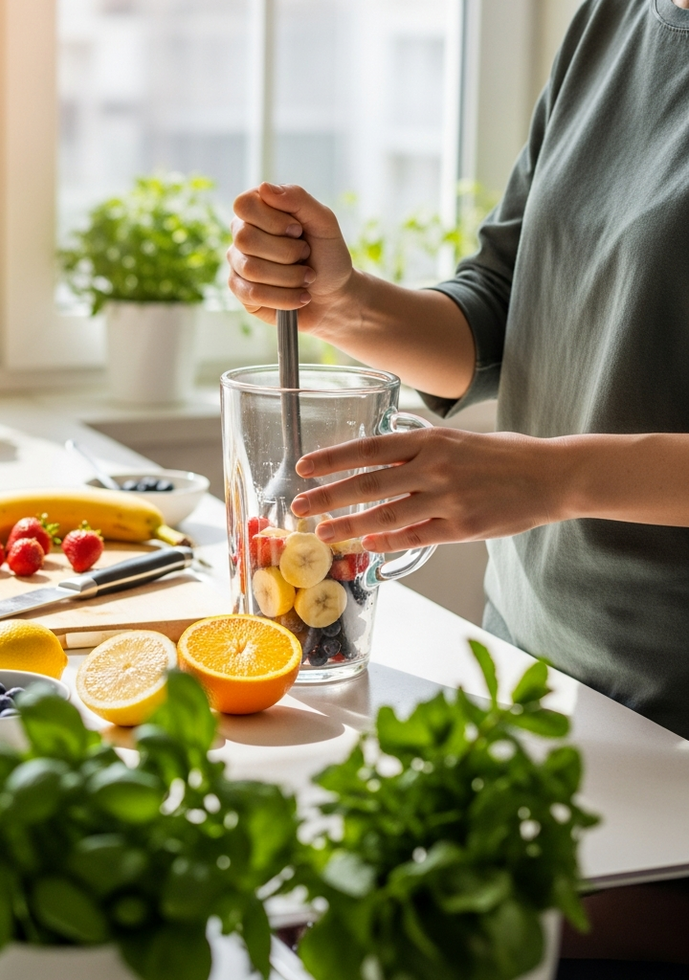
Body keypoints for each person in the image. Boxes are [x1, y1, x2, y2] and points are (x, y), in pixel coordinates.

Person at [228, 0, 689, 970]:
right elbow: (491, 311)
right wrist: (339, 300)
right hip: (532, 674)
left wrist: (554, 476)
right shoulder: (611, 20)